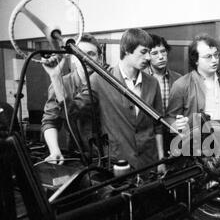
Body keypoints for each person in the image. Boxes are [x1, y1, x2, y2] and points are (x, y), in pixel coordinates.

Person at [72, 28, 165, 172]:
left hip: (149, 163)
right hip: (119, 165)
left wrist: (161, 160)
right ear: (127, 50)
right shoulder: (100, 80)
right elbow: (73, 110)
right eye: (143, 52)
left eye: (149, 52)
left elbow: (157, 126)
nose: (148, 57)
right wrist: (55, 76)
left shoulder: (152, 83)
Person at [41, 33, 103, 164]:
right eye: (80, 54)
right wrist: (54, 150)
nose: (85, 58)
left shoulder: (105, 82)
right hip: (76, 155)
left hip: (105, 155)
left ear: (99, 58)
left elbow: (73, 109)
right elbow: (50, 120)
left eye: (91, 53)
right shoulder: (60, 83)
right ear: (73, 58)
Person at [165, 33, 220, 133]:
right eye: (208, 56)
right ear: (196, 60)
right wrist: (177, 124)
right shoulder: (181, 85)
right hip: (196, 143)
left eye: (216, 55)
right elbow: (169, 119)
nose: (214, 60)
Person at [144, 34, 181, 155]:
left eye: (163, 51)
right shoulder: (142, 79)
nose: (161, 57)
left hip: (173, 135)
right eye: (154, 53)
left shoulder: (178, 79)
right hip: (150, 137)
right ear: (147, 56)